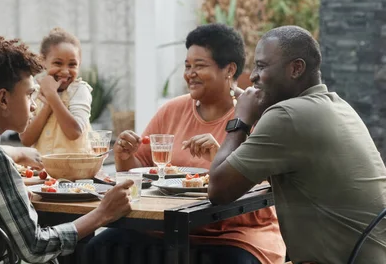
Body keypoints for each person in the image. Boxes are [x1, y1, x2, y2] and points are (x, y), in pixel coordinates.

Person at [88, 24, 286, 264]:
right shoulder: (172, 110)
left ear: (229, 70)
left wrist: (223, 161)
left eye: (200, 66)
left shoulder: (256, 114)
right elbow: (140, 166)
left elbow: (271, 185)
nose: (190, 73)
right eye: (187, 66)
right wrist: (124, 155)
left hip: (235, 235)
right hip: (165, 228)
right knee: (98, 248)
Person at [0, 36, 133, 263]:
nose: (34, 104)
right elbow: (35, 248)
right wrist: (103, 213)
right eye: (29, 94)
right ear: (3, 99)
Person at [209, 25, 386, 264]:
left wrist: (240, 120)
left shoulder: (287, 116)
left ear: (296, 68)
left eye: (261, 66)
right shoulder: (337, 104)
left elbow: (219, 190)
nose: (252, 76)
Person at [20, 27, 93, 154]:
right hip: (43, 171)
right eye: (58, 63)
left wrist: (52, 96)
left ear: (79, 64)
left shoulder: (79, 90)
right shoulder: (34, 92)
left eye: (72, 65)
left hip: (75, 171)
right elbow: (26, 139)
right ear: (43, 62)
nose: (65, 71)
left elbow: (74, 132)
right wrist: (47, 105)